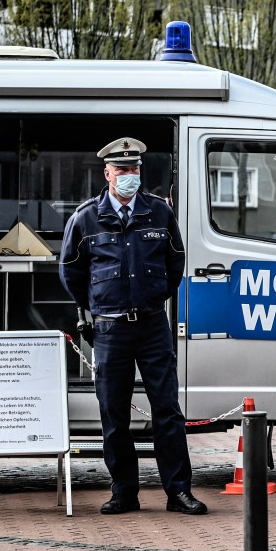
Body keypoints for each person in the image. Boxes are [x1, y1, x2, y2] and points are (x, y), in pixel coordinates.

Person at [60, 137, 206, 517]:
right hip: (111, 330)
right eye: (122, 170)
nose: (130, 176)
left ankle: (178, 493)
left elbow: (176, 264)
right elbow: (71, 272)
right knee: (113, 413)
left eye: (135, 169)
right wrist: (96, 306)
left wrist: (153, 295)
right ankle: (124, 492)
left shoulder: (159, 213)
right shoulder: (85, 218)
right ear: (107, 173)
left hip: (153, 325)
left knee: (168, 411)